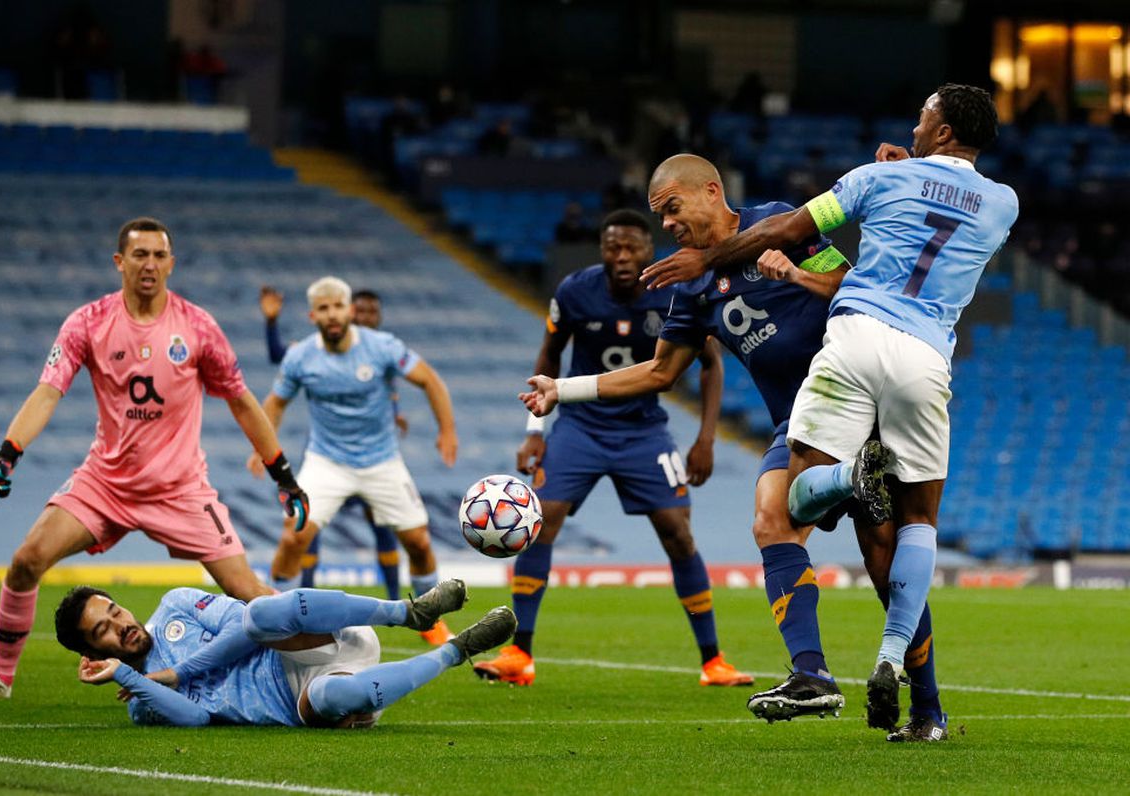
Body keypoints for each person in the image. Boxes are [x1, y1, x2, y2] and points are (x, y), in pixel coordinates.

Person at [640, 85, 1018, 741]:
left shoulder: (873, 178)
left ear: (945, 129)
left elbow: (791, 232)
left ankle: (847, 500)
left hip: (853, 348)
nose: (915, 125)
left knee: (809, 521)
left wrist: (711, 260)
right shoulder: (1004, 201)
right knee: (885, 535)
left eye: (923, 118)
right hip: (927, 358)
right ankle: (896, 695)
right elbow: (940, 212)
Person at [0, 217, 309, 701]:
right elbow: (47, 392)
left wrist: (283, 477)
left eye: (160, 256)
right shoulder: (89, 322)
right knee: (25, 561)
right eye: (140, 255)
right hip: (107, 483)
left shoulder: (198, 327)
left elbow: (243, 401)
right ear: (120, 262)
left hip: (180, 489)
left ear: (171, 264)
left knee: (246, 589)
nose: (150, 265)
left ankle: (328, 652)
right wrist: (7, 453)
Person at [473, 209, 748, 688]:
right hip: (580, 426)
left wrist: (705, 439)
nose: (622, 257)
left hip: (644, 429)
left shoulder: (674, 288)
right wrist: (534, 431)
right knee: (543, 520)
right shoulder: (574, 291)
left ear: (648, 250)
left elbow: (711, 363)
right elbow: (548, 358)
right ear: (602, 250)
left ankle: (713, 661)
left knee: (678, 533)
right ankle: (519, 653)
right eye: (612, 248)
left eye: (631, 248)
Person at [249, 276, 459, 645]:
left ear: (349, 311)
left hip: (382, 461)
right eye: (324, 308)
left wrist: (447, 431)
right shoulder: (301, 357)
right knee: (293, 538)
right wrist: (262, 448)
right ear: (313, 315)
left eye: (338, 306)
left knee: (420, 543)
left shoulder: (381, 347)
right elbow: (276, 402)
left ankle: (431, 618)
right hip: (327, 462)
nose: (332, 315)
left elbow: (430, 381)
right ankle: (280, 618)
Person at [54, 579, 516, 727]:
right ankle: (458, 650)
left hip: (307, 645)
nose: (122, 626)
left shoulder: (175, 604)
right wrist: (130, 678)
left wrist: (178, 672)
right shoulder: (139, 699)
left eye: (114, 611)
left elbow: (243, 627)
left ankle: (407, 613)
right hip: (307, 698)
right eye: (104, 631)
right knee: (333, 699)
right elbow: (194, 720)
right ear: (92, 651)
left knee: (258, 616)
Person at [257, 286, 407, 596]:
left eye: (372, 312)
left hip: (373, 458)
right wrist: (271, 322)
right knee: (307, 529)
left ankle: (399, 603)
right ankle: (305, 600)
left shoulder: (381, 353)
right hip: (328, 459)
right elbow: (277, 355)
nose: (366, 317)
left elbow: (385, 391)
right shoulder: (314, 349)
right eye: (361, 310)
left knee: (384, 529)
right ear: (351, 312)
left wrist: (396, 411)